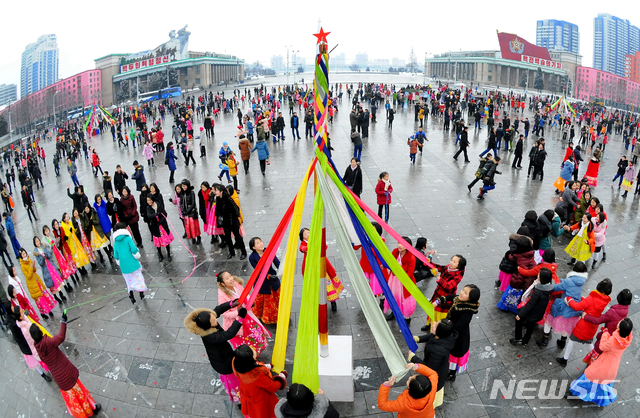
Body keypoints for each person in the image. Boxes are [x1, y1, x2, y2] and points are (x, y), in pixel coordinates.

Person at [30, 313, 102, 417]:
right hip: (67, 374)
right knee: (80, 394)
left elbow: (44, 360)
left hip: (60, 380)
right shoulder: (48, 342)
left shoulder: (38, 347)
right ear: (40, 331)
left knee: (73, 399)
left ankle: (83, 415)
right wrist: (63, 321)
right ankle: (92, 409)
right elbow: (61, 337)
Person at [184, 301, 247, 405]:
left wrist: (231, 304)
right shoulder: (210, 336)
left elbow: (218, 309)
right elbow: (228, 334)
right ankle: (239, 400)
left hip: (224, 356)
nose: (215, 319)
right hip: (224, 364)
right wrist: (239, 318)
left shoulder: (206, 322)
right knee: (233, 383)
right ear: (208, 326)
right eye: (213, 320)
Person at [568, 318, 633, 406]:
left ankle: (575, 392)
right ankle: (601, 401)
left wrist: (605, 333)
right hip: (613, 368)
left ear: (620, 328)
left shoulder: (614, 341)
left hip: (603, 365)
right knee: (602, 385)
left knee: (588, 377)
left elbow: (602, 346)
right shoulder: (627, 339)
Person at [557, 278, 612, 367]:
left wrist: (569, 300)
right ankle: (594, 359)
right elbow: (591, 306)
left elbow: (577, 306)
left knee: (571, 340)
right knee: (589, 342)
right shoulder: (604, 301)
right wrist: (583, 299)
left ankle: (565, 359)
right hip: (592, 327)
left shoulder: (591, 298)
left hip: (583, 326)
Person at [217, 271, 271, 355]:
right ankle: (248, 356)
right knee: (244, 342)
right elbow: (224, 313)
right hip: (237, 322)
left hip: (247, 317)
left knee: (255, 335)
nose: (231, 279)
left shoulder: (236, 284)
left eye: (230, 276)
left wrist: (249, 301)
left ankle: (256, 353)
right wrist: (238, 313)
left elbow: (245, 294)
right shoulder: (222, 295)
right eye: (227, 278)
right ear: (222, 284)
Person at [409, 319, 457, 408]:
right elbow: (431, 336)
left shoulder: (438, 350)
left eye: (436, 325)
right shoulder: (444, 336)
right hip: (440, 370)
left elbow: (429, 368)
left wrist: (413, 358)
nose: (433, 323)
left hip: (436, 376)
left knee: (430, 399)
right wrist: (419, 339)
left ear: (439, 332)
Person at [233, 344, 288, 418]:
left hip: (248, 394)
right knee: (265, 412)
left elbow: (254, 364)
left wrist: (266, 366)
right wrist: (281, 377)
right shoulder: (257, 376)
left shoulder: (237, 363)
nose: (253, 349)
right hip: (260, 400)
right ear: (250, 359)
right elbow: (273, 387)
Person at [582, 289, 632, 366]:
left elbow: (598, 320)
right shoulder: (626, 310)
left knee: (596, 356)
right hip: (613, 341)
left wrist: (586, 316)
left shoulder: (613, 312)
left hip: (606, 338)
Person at [299, 228, 344, 312]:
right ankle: (316, 303)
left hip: (322, 266)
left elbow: (325, 247)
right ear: (303, 238)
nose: (308, 234)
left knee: (328, 284)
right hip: (312, 268)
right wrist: (309, 246)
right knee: (315, 285)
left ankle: (332, 301)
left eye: (308, 232)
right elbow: (302, 248)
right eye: (305, 234)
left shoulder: (317, 239)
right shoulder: (304, 244)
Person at [509, 268, 554, 347]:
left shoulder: (538, 291)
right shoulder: (549, 288)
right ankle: (525, 341)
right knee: (530, 327)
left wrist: (520, 315)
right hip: (539, 313)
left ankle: (518, 338)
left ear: (540, 278)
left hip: (531, 313)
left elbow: (530, 305)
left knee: (518, 320)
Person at [7, 306, 52, 381]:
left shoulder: (23, 319)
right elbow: (21, 338)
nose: (23, 312)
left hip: (32, 344)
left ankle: (48, 370)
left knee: (41, 360)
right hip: (28, 346)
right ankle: (43, 374)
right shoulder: (21, 327)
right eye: (21, 312)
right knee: (36, 362)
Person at [426, 255, 467, 330]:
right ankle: (429, 324)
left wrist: (438, 277)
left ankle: (435, 330)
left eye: (454, 262)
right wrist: (429, 263)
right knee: (432, 309)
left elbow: (448, 287)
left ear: (459, 265)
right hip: (438, 293)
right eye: (451, 260)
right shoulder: (449, 267)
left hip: (445, 299)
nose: (451, 263)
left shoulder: (457, 276)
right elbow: (440, 267)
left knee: (438, 315)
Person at [383, 237, 417, 326]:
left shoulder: (411, 258)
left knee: (405, 301)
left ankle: (407, 318)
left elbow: (410, 273)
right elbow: (389, 261)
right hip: (394, 280)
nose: (400, 245)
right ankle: (393, 313)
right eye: (399, 243)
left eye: (403, 244)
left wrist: (399, 274)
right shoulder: (395, 252)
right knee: (394, 296)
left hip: (404, 282)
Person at [111, 223, 146, 304]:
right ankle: (141, 293)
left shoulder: (116, 242)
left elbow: (116, 255)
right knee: (138, 278)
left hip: (124, 266)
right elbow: (133, 249)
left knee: (129, 282)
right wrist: (137, 254)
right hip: (133, 264)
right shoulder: (128, 238)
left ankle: (132, 296)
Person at [248, 237, 281, 324]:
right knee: (264, 300)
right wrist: (268, 276)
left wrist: (281, 269)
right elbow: (258, 270)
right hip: (262, 280)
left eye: (261, 241)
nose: (261, 244)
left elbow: (277, 262)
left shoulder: (269, 250)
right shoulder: (252, 257)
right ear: (253, 247)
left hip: (272, 277)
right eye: (257, 243)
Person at [213, 184, 246, 259]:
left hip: (233, 221)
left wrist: (238, 220)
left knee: (238, 237)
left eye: (217, 191)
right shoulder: (218, 199)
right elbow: (218, 210)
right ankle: (231, 252)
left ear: (221, 191)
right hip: (225, 222)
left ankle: (243, 252)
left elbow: (236, 209)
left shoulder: (228, 199)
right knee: (228, 238)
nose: (215, 192)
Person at [33, 236, 67, 303]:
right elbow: (40, 263)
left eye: (38, 241)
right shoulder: (36, 253)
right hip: (45, 269)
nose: (38, 242)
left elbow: (49, 255)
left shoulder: (44, 246)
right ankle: (55, 296)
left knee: (56, 280)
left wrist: (46, 254)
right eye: (36, 242)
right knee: (51, 283)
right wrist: (42, 257)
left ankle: (61, 293)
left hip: (50, 265)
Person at [275, 383, 340, 418]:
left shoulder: (281, 411)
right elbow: (335, 415)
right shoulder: (325, 410)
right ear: (311, 397)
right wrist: (321, 398)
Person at [145, 195, 174, 262]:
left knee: (166, 241)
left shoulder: (158, 205)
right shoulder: (148, 208)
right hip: (155, 227)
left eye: (150, 200)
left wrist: (160, 221)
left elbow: (164, 214)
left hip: (162, 226)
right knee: (158, 242)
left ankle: (168, 254)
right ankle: (160, 255)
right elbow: (149, 215)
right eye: (147, 200)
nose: (149, 202)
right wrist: (156, 214)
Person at [180, 179, 201, 245]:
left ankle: (198, 237)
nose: (184, 187)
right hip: (186, 213)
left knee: (194, 226)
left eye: (185, 186)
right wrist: (183, 210)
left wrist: (187, 211)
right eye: (183, 186)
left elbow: (193, 203)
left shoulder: (191, 192)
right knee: (188, 226)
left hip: (192, 212)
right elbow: (181, 203)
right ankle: (193, 237)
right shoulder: (182, 193)